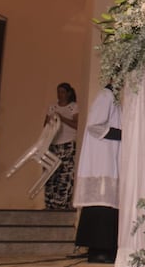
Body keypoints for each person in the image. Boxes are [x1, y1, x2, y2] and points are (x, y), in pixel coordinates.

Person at [73, 84, 122, 264]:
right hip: (101, 158)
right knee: (101, 202)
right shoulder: (106, 95)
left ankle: (107, 247)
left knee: (108, 203)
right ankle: (98, 248)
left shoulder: (114, 98)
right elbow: (94, 125)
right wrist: (121, 134)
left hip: (110, 157)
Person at [44, 82, 79, 210]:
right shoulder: (52, 107)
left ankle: (63, 204)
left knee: (65, 175)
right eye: (58, 92)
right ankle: (50, 204)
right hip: (53, 144)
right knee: (51, 174)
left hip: (68, 144)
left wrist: (62, 118)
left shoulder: (73, 107)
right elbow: (45, 126)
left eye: (63, 92)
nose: (60, 94)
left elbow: (77, 124)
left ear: (68, 93)